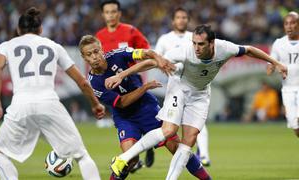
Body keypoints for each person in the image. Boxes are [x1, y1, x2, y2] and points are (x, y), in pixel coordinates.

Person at [107, 24, 287, 179]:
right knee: (168, 131)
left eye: (201, 44)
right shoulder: (184, 51)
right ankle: (123, 158)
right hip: (179, 88)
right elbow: (152, 62)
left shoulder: (225, 48)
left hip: (200, 94)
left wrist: (276, 62)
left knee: (189, 140)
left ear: (211, 43)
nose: (196, 48)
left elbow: (249, 49)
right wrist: (122, 74)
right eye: (194, 43)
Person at [0, 7, 105, 180]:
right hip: (50, 103)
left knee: (0, 154)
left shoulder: (7, 46)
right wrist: (95, 104)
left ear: (18, 30)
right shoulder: (53, 46)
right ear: (40, 29)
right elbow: (83, 82)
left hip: (20, 105)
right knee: (82, 156)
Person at [79, 35, 211, 180]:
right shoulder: (94, 83)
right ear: (84, 58)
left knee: (176, 147)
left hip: (146, 108)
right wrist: (146, 86)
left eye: (96, 51)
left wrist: (157, 58)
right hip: (125, 118)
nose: (95, 57)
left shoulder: (117, 55)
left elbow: (144, 53)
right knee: (129, 160)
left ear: (102, 49)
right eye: (89, 54)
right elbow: (122, 102)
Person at [96, 0, 153, 169]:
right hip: (112, 87)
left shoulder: (131, 31)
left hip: (133, 83)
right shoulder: (99, 37)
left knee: (143, 115)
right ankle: (138, 150)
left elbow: (147, 52)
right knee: (123, 120)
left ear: (119, 13)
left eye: (114, 11)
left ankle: (146, 143)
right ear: (103, 15)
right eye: (107, 12)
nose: (111, 15)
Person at [155, 7, 211, 166]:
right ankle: (153, 146)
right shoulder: (164, 39)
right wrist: (165, 67)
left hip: (193, 85)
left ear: (188, 20)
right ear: (173, 20)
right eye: (178, 17)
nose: (182, 20)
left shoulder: (194, 38)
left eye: (185, 17)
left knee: (197, 122)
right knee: (169, 125)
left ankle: (204, 156)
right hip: (174, 86)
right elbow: (158, 58)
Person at [267, 11, 299, 137]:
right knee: (295, 126)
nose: (289, 26)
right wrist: (272, 67)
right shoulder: (279, 43)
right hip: (288, 89)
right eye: (286, 24)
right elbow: (271, 63)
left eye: (293, 23)